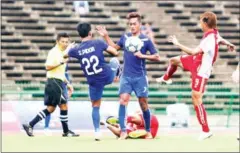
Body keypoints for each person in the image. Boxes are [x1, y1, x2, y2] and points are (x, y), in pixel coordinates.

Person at [155, 11, 236, 140]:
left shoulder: (209, 39)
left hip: (201, 70)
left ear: (205, 23)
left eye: (200, 21)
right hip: (196, 61)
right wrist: (228, 44)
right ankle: (166, 78)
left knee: (196, 97)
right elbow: (220, 39)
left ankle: (206, 130)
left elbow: (192, 52)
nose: (199, 23)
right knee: (173, 60)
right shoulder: (214, 33)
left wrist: (177, 43)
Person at [96, 12, 161, 140]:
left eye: (134, 24)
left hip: (140, 77)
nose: (132, 26)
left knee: (143, 104)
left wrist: (143, 56)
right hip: (126, 76)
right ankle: (124, 131)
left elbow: (157, 56)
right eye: (130, 24)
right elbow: (114, 48)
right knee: (123, 100)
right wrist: (106, 36)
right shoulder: (125, 37)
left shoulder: (146, 40)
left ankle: (148, 131)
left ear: (139, 25)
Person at [63, 22, 120, 141]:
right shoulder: (98, 42)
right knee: (114, 60)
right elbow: (115, 52)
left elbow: (64, 55)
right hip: (106, 75)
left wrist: (69, 47)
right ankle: (117, 75)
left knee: (95, 106)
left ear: (79, 35)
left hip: (93, 80)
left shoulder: (76, 49)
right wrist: (105, 36)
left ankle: (97, 132)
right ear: (90, 33)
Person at [22, 33, 79, 137]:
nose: (65, 44)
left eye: (67, 42)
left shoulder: (62, 52)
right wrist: (61, 62)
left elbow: (60, 72)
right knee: (60, 106)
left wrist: (68, 83)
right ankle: (65, 131)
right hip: (54, 83)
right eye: (63, 41)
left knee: (54, 108)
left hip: (58, 82)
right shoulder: (54, 52)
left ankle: (30, 125)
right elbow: (48, 67)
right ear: (57, 41)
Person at [44, 64, 71, 136]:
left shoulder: (64, 57)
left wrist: (68, 83)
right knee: (51, 106)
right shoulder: (57, 57)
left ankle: (65, 130)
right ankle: (46, 127)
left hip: (63, 79)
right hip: (56, 80)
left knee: (64, 106)